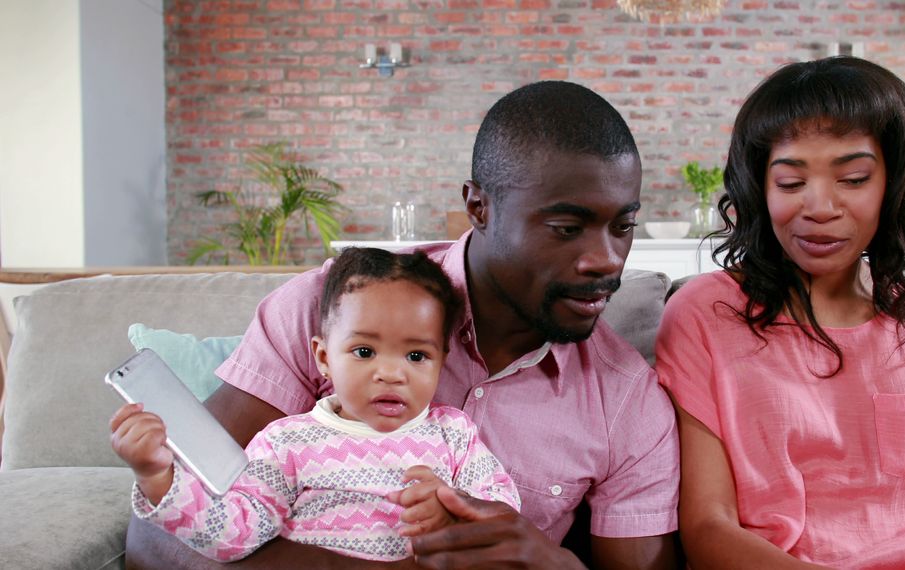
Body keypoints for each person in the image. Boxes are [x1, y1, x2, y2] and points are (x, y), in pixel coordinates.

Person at [125, 80, 680, 569]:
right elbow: (157, 541)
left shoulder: (628, 399)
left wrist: (550, 564)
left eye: (623, 226)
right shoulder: (329, 310)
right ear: (478, 207)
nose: (606, 259)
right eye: (566, 227)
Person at [656, 56, 905, 570]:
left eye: (853, 179)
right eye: (790, 183)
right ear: (759, 191)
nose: (820, 207)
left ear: (892, 185)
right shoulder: (705, 315)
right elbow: (707, 528)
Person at [110, 248, 521, 562]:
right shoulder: (287, 441)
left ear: (440, 362)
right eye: (364, 351)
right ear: (323, 357)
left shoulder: (454, 434)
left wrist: (453, 509)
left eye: (416, 356)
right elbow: (234, 533)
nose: (392, 373)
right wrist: (157, 476)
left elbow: (504, 510)